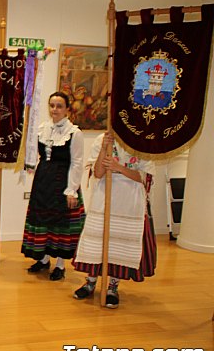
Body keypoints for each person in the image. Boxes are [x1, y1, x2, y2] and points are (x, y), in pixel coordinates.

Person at [72, 132, 156, 309]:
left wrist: (119, 167)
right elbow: (98, 173)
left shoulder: (143, 140)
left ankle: (112, 287)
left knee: (120, 246)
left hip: (129, 201)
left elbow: (144, 177)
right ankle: (90, 282)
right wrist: (104, 147)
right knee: (97, 243)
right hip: (104, 199)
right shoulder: (103, 138)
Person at [21, 92, 85, 281]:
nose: (54, 109)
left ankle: (60, 265)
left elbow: (77, 163)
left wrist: (71, 190)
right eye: (52, 105)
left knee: (59, 223)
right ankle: (43, 259)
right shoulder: (42, 129)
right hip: (43, 180)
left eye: (59, 106)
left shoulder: (74, 133)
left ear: (67, 109)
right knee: (43, 220)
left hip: (62, 181)